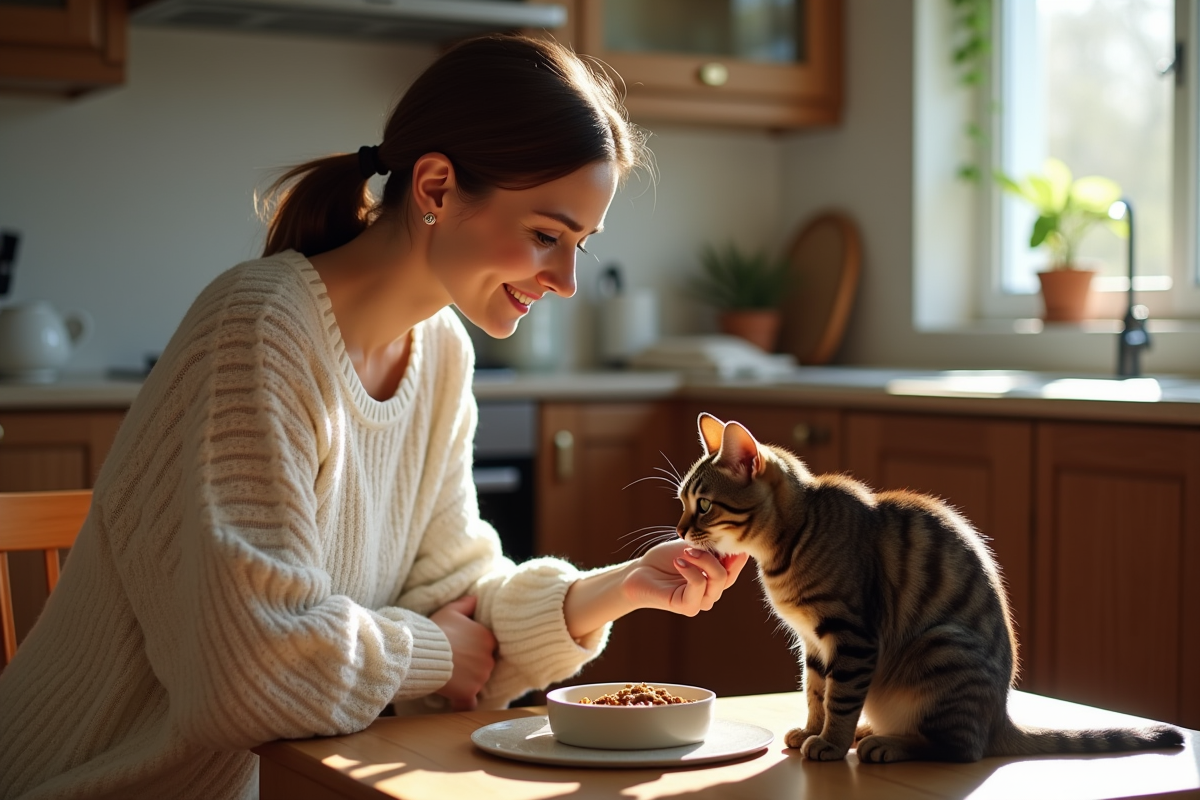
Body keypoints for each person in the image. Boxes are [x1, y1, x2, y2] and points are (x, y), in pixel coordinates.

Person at [0, 34, 749, 800]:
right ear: (434, 188)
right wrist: (432, 651)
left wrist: (619, 588)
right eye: (544, 236)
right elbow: (253, 670)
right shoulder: (259, 328)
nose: (564, 281)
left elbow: (456, 598)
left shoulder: (442, 353)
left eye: (580, 247)